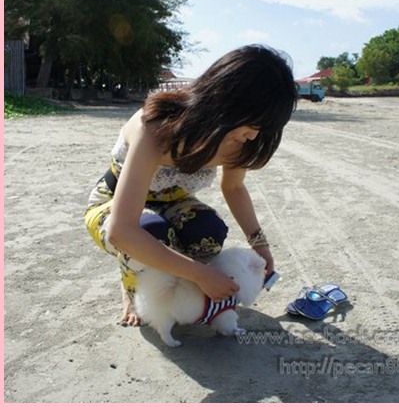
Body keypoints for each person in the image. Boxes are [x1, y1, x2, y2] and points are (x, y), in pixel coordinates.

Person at [83, 45, 298, 326]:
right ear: (225, 101)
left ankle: (172, 281)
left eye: (265, 127)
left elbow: (234, 188)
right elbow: (121, 230)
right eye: (255, 123)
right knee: (150, 232)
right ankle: (133, 286)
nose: (255, 135)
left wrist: (259, 243)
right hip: (113, 200)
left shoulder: (240, 138)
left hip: (173, 200)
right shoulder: (156, 126)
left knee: (208, 231)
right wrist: (200, 274)